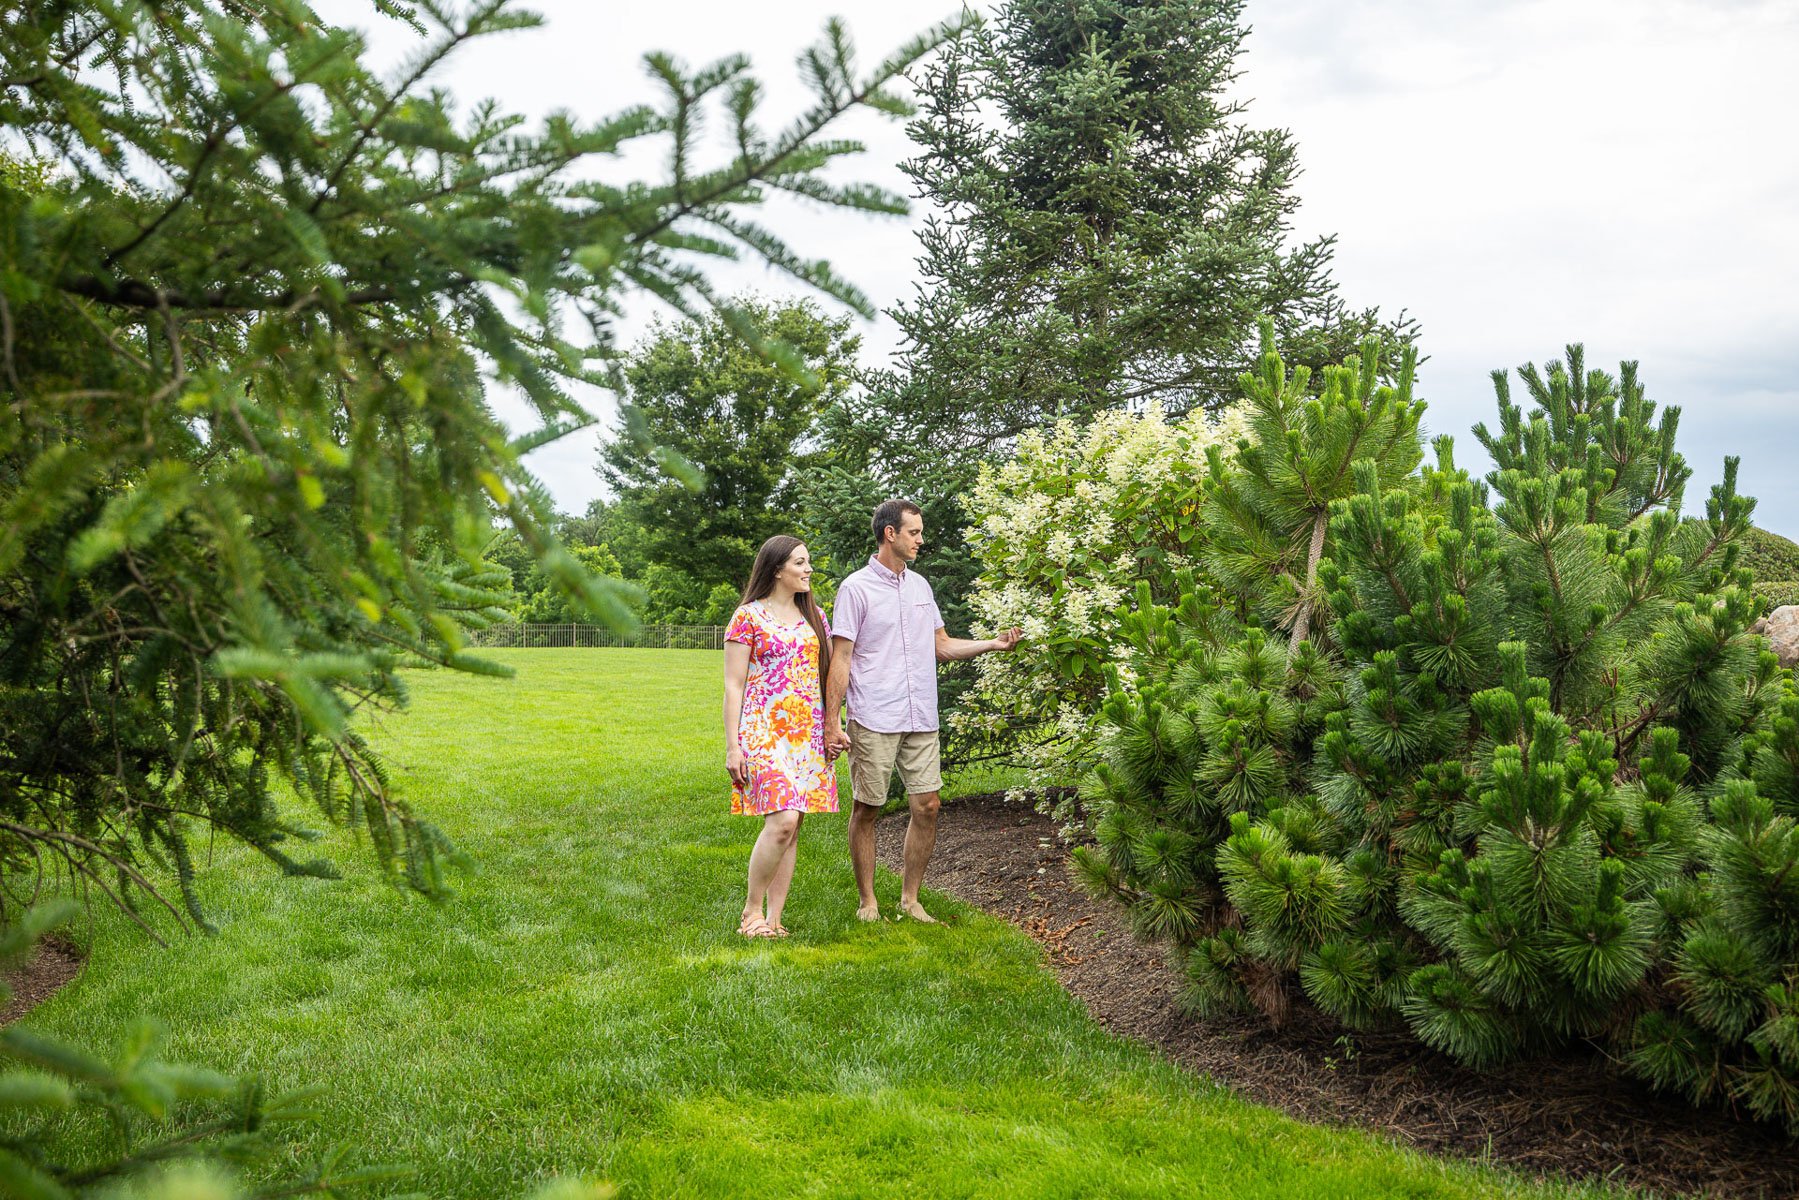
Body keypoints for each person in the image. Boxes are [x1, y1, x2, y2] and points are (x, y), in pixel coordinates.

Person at [823, 499, 1021, 923]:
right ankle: (868, 902)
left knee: (928, 805)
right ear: (890, 534)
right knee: (867, 808)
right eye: (914, 532)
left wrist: (993, 644)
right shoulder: (855, 588)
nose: (921, 539)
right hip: (874, 713)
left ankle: (910, 900)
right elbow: (841, 658)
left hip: (920, 716)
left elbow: (942, 646)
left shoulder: (920, 587)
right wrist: (831, 719)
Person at [723, 535, 838, 939]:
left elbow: (827, 678)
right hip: (762, 730)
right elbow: (734, 685)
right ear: (776, 569)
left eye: (808, 563)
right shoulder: (748, 617)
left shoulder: (816, 619)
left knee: (793, 827)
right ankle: (751, 913)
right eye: (800, 563)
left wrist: (833, 726)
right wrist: (733, 746)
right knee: (783, 820)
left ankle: (773, 920)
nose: (808, 570)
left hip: (806, 734)